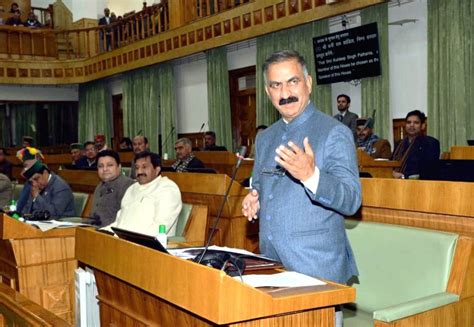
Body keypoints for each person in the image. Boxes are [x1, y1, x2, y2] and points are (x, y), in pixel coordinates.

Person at [242, 50, 360, 286]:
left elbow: (351, 200)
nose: (285, 93)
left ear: (308, 83)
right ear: (268, 92)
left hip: (317, 268)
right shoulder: (265, 138)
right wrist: (255, 198)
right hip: (271, 265)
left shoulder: (334, 132)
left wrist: (311, 176)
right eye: (276, 85)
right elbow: (261, 184)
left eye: (292, 82)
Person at [104, 151, 182, 237]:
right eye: (137, 168)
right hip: (123, 241)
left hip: (147, 245)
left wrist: (129, 240)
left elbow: (160, 226)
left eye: (144, 167)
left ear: (157, 170)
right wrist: (102, 232)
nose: (139, 171)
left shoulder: (167, 188)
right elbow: (119, 222)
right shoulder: (132, 188)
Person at [391, 110, 440, 179]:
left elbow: (429, 169)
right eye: (408, 122)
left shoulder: (430, 143)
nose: (411, 125)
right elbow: (391, 163)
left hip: (418, 184)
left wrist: (403, 176)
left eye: (416, 123)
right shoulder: (399, 144)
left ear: (423, 126)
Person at [91, 150, 135, 227]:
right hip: (94, 231)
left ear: (119, 167)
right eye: (101, 166)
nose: (105, 169)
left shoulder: (128, 186)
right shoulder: (99, 186)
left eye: (110, 165)